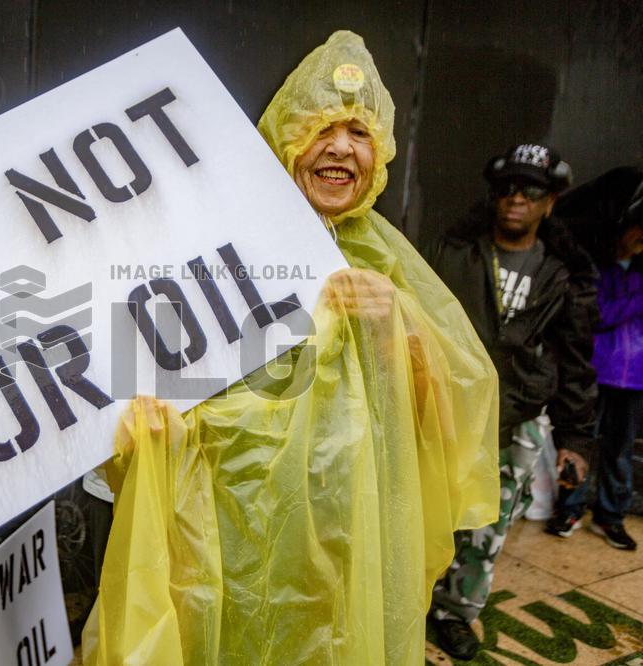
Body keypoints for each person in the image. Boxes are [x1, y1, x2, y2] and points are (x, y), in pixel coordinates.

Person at [82, 31, 499, 665]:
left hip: (344, 544)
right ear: (284, 139)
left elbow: (443, 431)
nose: (339, 146)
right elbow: (156, 375)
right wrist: (148, 426)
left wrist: (400, 333)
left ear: (380, 153)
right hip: (229, 536)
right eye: (321, 127)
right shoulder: (215, 249)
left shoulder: (391, 265)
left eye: (359, 132)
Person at [424, 144, 599, 660]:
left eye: (531, 191)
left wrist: (575, 439)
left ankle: (455, 614)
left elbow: (575, 361)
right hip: (444, 414)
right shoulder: (451, 253)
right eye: (505, 189)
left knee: (487, 529)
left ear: (551, 202)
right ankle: (406, 604)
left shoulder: (564, 274)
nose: (515, 199)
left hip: (517, 420)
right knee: (426, 516)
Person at [546, 166, 643, 550]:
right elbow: (597, 315)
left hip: (635, 377)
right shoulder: (596, 267)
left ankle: (610, 516)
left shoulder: (640, 270)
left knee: (620, 450)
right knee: (580, 444)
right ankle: (569, 508)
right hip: (596, 370)